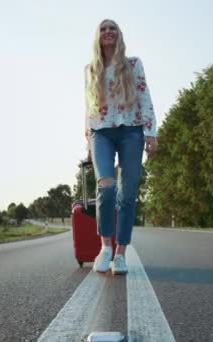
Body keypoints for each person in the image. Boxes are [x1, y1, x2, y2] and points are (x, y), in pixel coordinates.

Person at [84, 19, 158, 275]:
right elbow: (89, 105)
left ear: (119, 35)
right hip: (101, 132)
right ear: (98, 36)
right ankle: (105, 247)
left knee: (127, 195)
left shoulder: (133, 64)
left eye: (112, 28)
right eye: (103, 29)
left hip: (131, 131)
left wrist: (151, 132)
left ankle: (121, 254)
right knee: (106, 186)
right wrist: (87, 136)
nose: (108, 32)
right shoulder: (91, 69)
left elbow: (144, 96)